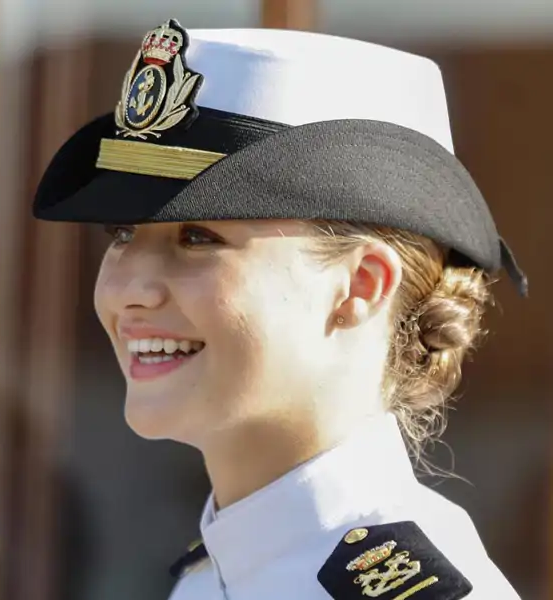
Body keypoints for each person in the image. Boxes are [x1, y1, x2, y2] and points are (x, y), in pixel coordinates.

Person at [33, 18, 527, 600]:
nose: (129, 289)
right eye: (121, 234)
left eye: (197, 238)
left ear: (360, 285)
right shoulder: (217, 570)